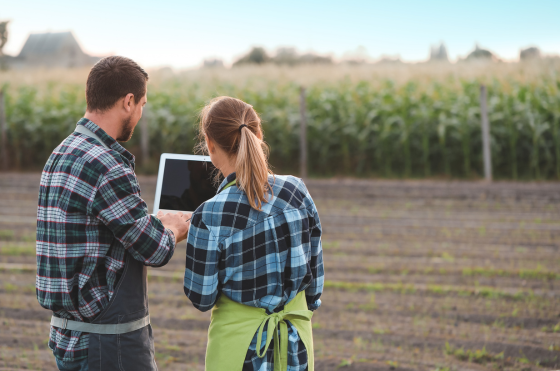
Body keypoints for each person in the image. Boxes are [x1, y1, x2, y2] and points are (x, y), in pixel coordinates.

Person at [35, 56, 191, 371]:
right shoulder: (106, 164)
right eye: (143, 103)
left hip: (69, 336)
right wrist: (172, 228)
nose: (142, 112)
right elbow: (154, 249)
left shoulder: (62, 152)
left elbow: (106, 228)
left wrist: (151, 225)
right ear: (128, 101)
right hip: (109, 345)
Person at [181, 96, 324, 370]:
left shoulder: (208, 215)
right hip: (295, 347)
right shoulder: (297, 191)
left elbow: (201, 297)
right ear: (259, 134)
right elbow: (314, 281)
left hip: (239, 352)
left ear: (210, 147)